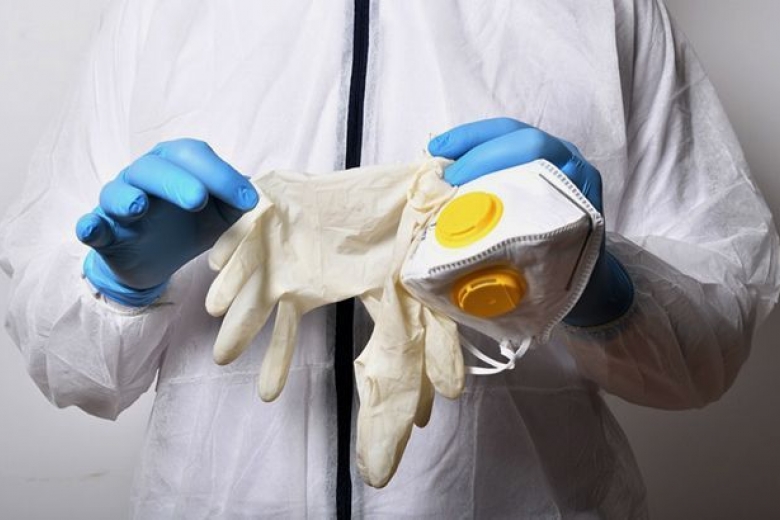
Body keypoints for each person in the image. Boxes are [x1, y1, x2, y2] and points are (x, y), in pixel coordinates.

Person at [1, 0, 777, 518]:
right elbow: (65, 359)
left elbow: (706, 349)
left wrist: (591, 275)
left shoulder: (599, 11)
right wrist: (118, 281)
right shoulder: (161, 13)